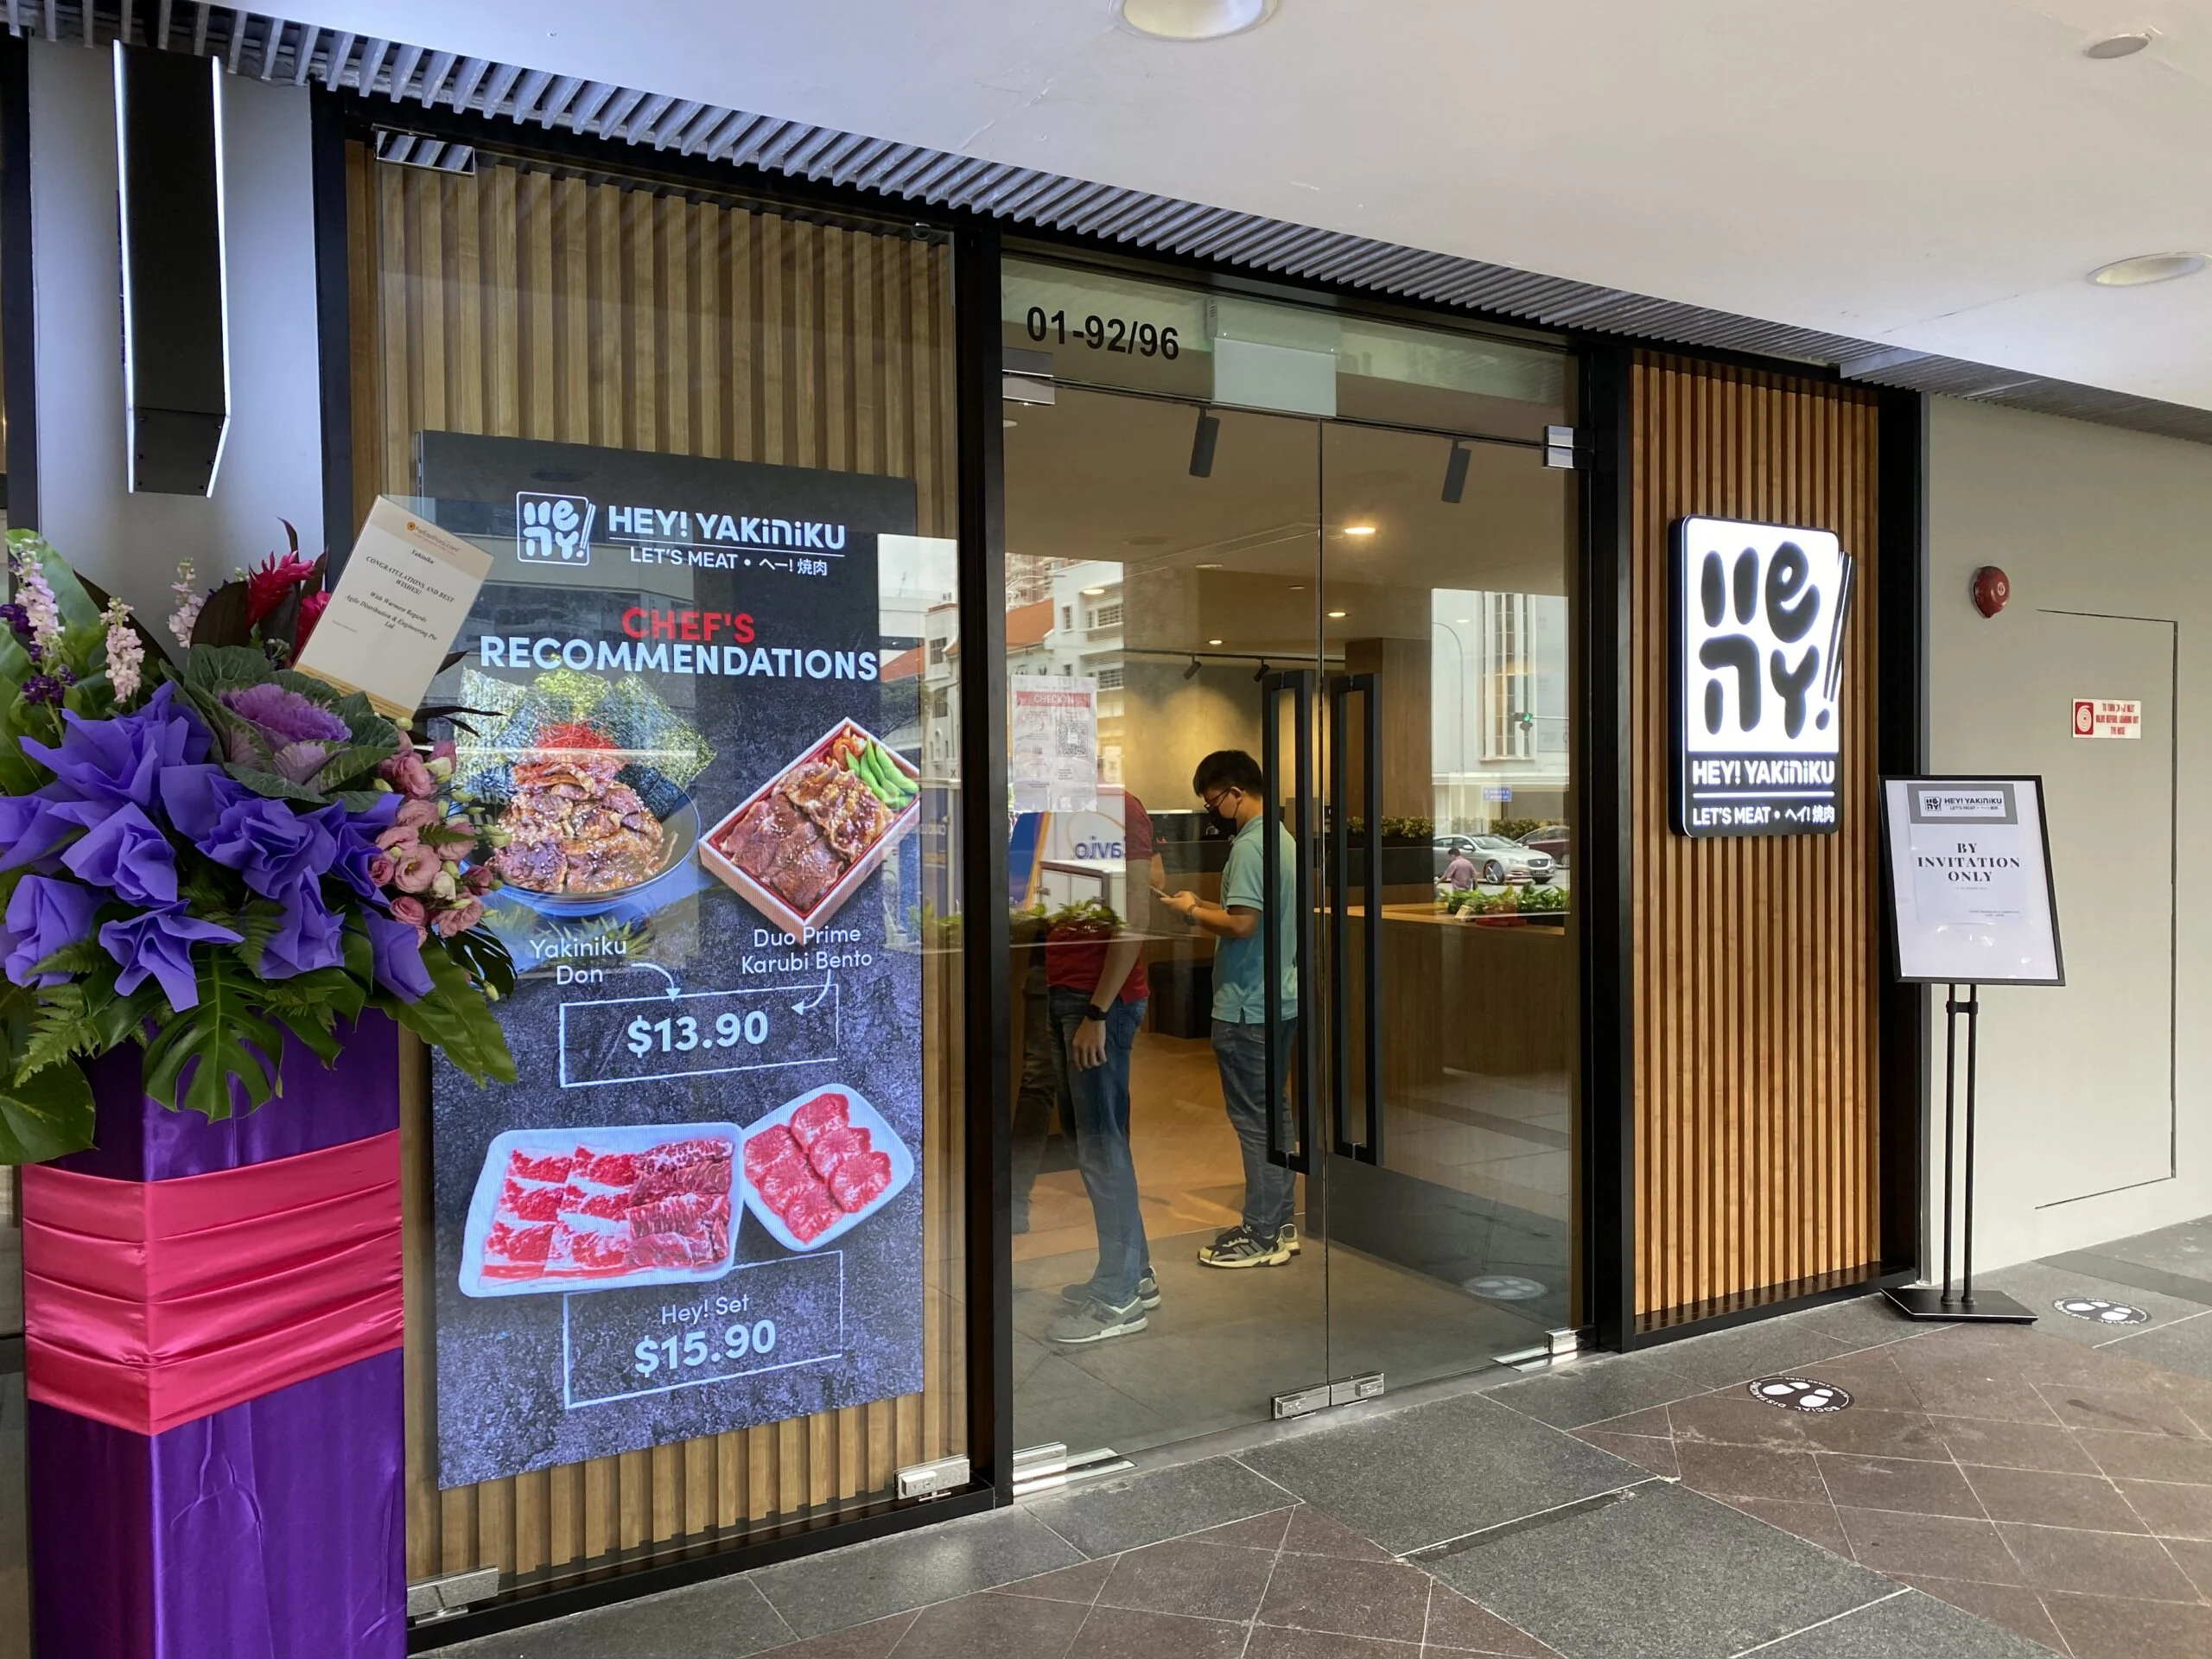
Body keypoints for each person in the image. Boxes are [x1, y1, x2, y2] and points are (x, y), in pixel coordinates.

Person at [1161, 750, 1301, 1269]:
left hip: (1247, 1007)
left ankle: (1262, 1233)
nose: (1213, 812)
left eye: (1213, 801)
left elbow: (1243, 924)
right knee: (1275, 1118)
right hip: (1279, 999)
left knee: (1254, 1122)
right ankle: (1280, 1223)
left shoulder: (1248, 847)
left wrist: (1192, 910)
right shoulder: (1283, 841)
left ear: (1237, 792)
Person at [1044, 791, 1162, 1345]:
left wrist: (1098, 1009)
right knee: (1093, 1140)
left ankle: (1118, 1296)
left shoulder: (1120, 808)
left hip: (1097, 1001)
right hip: (1066, 991)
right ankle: (1133, 1272)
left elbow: (1134, 915)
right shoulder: (1053, 811)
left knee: (1101, 1144)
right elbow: (1036, 901)